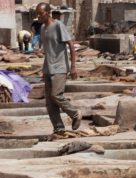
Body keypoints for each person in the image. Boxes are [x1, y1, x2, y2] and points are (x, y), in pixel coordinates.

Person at [36, 2, 81, 134]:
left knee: (56, 95)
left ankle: (75, 114)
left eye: (40, 14)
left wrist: (73, 67)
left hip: (60, 67)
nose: (38, 17)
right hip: (48, 68)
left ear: (48, 13)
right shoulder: (43, 29)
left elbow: (71, 46)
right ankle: (58, 128)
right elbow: (48, 51)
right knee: (50, 102)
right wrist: (44, 71)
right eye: (37, 14)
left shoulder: (58, 25)